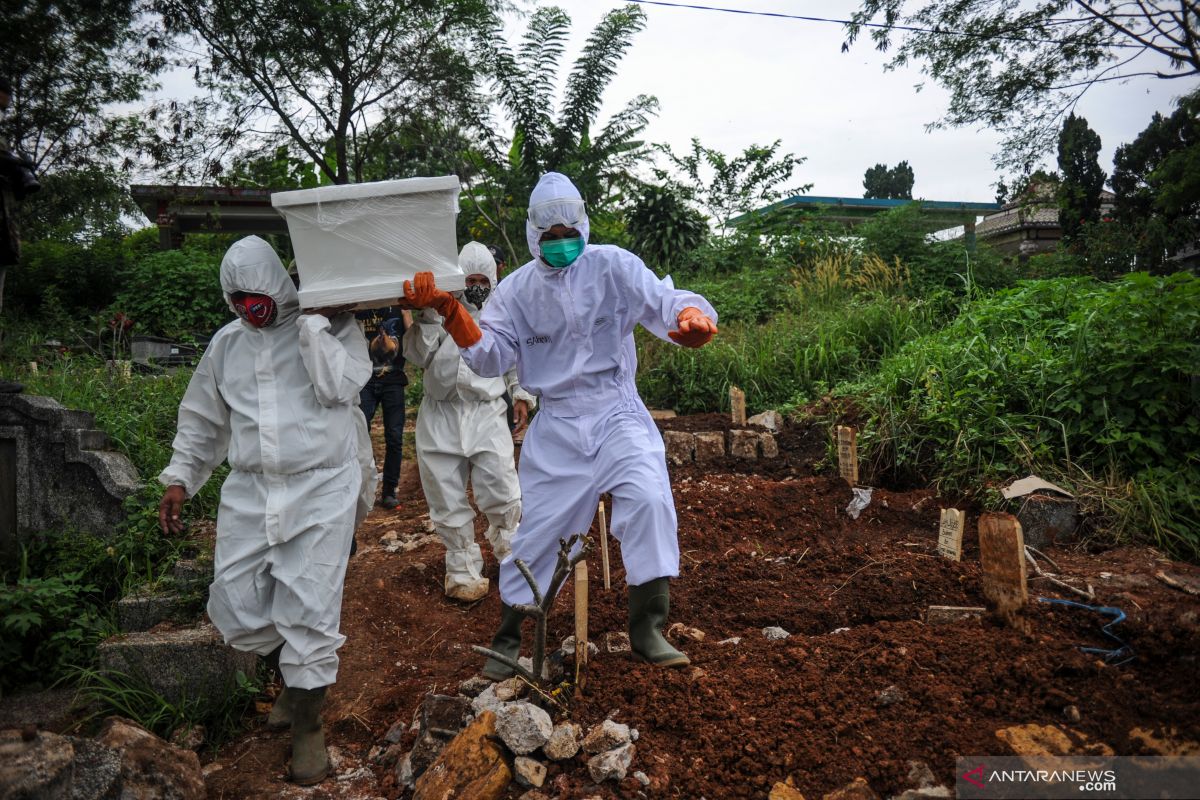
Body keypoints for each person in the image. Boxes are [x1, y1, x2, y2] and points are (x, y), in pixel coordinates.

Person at [402, 172, 717, 677]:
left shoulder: (613, 266)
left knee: (650, 497)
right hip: (558, 420)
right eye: (550, 238)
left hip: (617, 411)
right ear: (533, 236)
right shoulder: (517, 292)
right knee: (539, 532)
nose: (561, 244)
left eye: (569, 233)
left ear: (584, 226)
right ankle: (508, 639)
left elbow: (664, 301)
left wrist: (691, 318)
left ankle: (647, 627)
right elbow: (489, 356)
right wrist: (448, 307)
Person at [157, 236, 370, 785]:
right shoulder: (228, 344)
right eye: (235, 298)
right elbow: (203, 416)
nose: (246, 308)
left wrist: (317, 325)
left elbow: (339, 386)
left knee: (311, 602)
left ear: (277, 284)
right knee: (238, 597)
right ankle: (291, 682)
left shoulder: (334, 327)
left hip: (321, 484)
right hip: (252, 488)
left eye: (254, 295)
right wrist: (180, 477)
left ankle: (307, 723)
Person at [403, 242, 535, 602]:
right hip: (440, 412)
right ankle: (461, 569)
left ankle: (512, 556)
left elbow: (512, 359)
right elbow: (418, 355)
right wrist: (429, 314)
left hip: (487, 409)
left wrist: (520, 393)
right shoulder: (441, 311)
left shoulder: (503, 311)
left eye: (482, 279)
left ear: (493, 279)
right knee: (445, 495)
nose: (476, 285)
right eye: (469, 279)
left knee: (501, 486)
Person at [356, 305, 409, 509]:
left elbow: (412, 338)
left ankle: (389, 490)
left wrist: (406, 313)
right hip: (364, 380)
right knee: (360, 432)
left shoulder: (397, 307)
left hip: (394, 379)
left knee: (394, 436)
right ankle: (363, 487)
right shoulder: (359, 307)